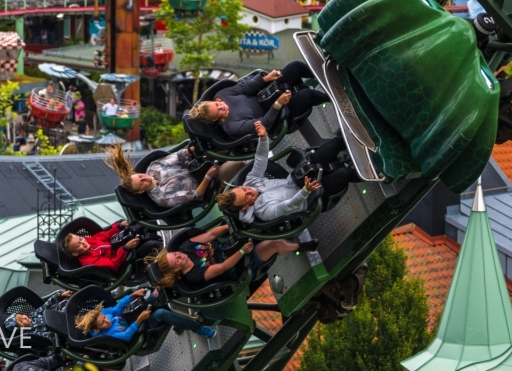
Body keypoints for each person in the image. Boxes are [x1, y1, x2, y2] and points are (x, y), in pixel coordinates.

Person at [216, 121, 358, 223]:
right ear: (245, 207)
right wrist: (306, 191)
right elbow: (288, 206)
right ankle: (371, 174)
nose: (250, 191)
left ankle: (353, 134)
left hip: (298, 179)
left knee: (335, 144)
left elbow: (260, 159)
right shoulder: (264, 213)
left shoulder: (250, 183)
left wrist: (264, 138)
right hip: (310, 196)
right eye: (247, 197)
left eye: (245, 189)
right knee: (345, 173)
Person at [146, 223, 317, 288]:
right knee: (274, 244)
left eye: (175, 254)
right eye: (176, 259)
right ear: (176, 268)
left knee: (256, 223)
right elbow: (223, 267)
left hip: (231, 243)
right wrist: (243, 251)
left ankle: (290, 222)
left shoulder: (185, 246)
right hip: (240, 263)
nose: (179, 255)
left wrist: (230, 226)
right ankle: (302, 245)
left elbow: (212, 235)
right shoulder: (194, 276)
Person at [187, 62, 329, 139]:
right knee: (307, 94)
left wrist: (266, 78)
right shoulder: (232, 127)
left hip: (266, 95)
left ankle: (325, 71)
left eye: (217, 104)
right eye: (218, 112)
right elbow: (264, 124)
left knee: (295, 67)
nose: (221, 107)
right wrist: (278, 103)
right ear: (214, 120)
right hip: (276, 117)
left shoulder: (222, 95)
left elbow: (246, 87)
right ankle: (331, 97)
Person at [106, 145, 224, 208]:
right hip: (210, 183)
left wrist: (195, 148)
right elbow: (197, 194)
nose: (144, 178)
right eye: (141, 183)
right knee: (236, 164)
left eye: (141, 176)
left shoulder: (153, 167)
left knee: (221, 146)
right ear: (141, 191)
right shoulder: (163, 198)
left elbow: (180, 155)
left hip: (201, 163)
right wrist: (208, 176)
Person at [74, 288, 216, 340]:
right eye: (103, 323)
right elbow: (125, 336)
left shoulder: (104, 314)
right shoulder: (106, 336)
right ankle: (199, 329)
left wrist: (132, 295)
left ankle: (192, 293)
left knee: (151, 292)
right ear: (97, 329)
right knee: (161, 313)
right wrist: (139, 321)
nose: (106, 320)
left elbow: (117, 309)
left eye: (104, 317)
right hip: (141, 329)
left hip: (133, 316)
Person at [60, 220, 161, 271]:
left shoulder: (89, 241)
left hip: (120, 246)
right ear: (75, 253)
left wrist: (120, 226)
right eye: (78, 245)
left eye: (81, 239)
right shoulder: (90, 262)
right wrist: (126, 248)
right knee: (152, 245)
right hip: (124, 261)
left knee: (146, 224)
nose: (83, 242)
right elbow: (113, 264)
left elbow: (106, 235)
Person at [3, 289, 73, 343]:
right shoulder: (34, 334)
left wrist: (59, 295)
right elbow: (52, 337)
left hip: (59, 309)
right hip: (62, 325)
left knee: (67, 298)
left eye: (21, 315)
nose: (24, 317)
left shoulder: (33, 314)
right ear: (21, 328)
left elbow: (46, 305)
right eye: (21, 321)